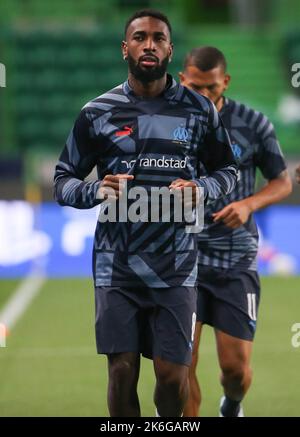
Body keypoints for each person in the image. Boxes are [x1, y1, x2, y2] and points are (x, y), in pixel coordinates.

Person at [54, 14, 237, 417]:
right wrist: (94, 189)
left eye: (158, 38)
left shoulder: (200, 110)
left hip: (176, 265)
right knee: (121, 372)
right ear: (126, 48)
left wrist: (202, 189)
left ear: (170, 49)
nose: (149, 45)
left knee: (173, 377)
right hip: (116, 266)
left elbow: (228, 170)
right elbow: (62, 180)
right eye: (140, 37)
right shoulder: (96, 112)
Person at [179, 46, 292, 417]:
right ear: (182, 81)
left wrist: (248, 204)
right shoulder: (165, 124)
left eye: (211, 88)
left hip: (235, 260)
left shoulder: (253, 123)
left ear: (225, 82)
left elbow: (282, 182)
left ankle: (233, 404)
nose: (204, 97)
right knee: (180, 368)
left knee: (236, 370)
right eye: (196, 88)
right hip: (181, 260)